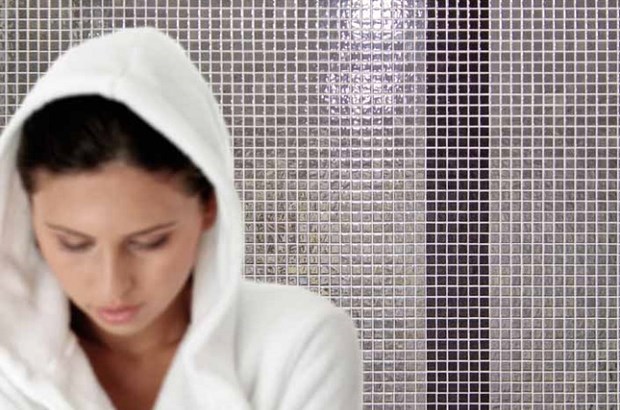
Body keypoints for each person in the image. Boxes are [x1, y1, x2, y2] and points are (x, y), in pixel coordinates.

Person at [0, 26, 363, 409]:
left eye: (149, 242)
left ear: (209, 206)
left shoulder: (299, 344)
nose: (113, 285)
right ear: (27, 214)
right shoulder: (6, 366)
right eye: (73, 244)